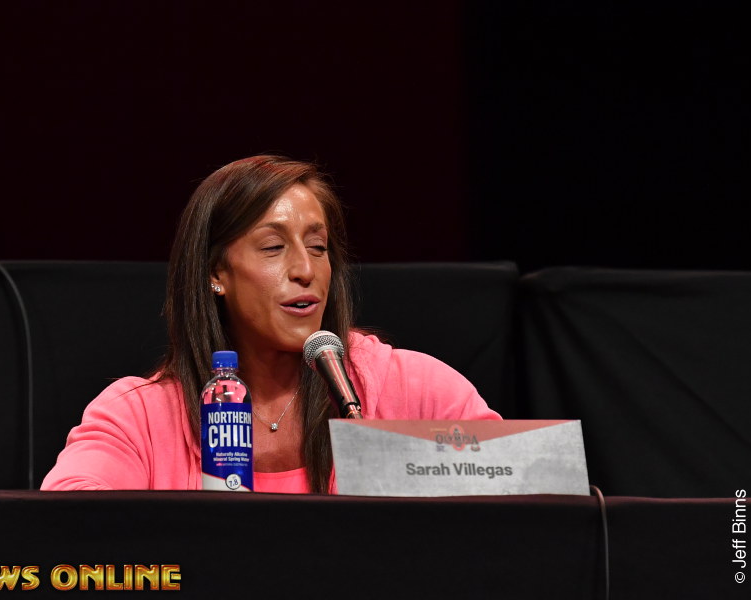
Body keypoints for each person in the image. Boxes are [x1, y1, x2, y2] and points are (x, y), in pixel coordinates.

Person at [41, 155, 501, 493]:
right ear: (215, 273)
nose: (305, 269)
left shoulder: (414, 389)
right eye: (272, 248)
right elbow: (64, 527)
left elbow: (517, 496)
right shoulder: (139, 417)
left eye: (318, 247)